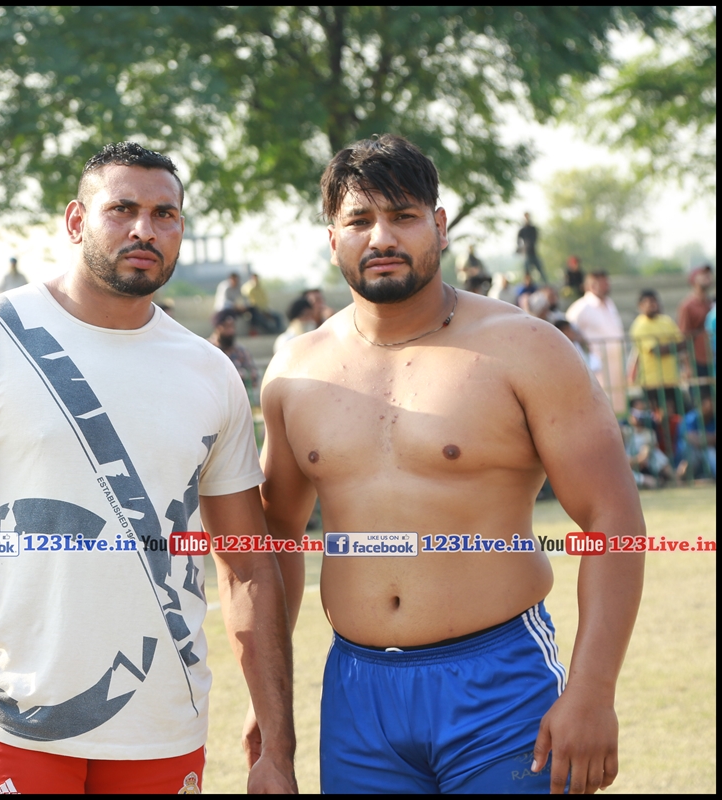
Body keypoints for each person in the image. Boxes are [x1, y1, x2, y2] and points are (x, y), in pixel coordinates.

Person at [0, 141, 295, 794]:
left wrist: (277, 744)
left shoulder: (210, 371)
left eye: (164, 214)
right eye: (122, 209)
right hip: (17, 722)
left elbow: (248, 566)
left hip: (165, 724)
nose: (144, 229)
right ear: (75, 221)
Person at [260, 134, 644, 794]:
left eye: (403, 216)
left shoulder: (525, 348)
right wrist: (271, 722)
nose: (381, 237)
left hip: (499, 685)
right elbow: (273, 543)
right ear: (333, 239)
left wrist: (593, 689)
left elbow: (614, 518)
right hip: (357, 694)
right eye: (359, 220)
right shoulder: (295, 371)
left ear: (438, 226)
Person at [567, 271, 628, 415]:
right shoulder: (581, 307)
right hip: (597, 366)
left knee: (618, 407)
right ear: (590, 285)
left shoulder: (609, 303)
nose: (605, 285)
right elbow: (568, 332)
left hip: (616, 364)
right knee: (601, 407)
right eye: (601, 282)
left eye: (606, 282)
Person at [629, 289, 687, 422]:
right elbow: (656, 350)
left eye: (654, 301)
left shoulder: (666, 321)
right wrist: (673, 346)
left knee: (675, 416)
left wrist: (668, 348)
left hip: (671, 379)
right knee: (658, 418)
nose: (652, 305)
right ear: (640, 306)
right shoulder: (639, 326)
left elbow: (683, 343)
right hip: (652, 381)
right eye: (647, 302)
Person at [677, 265, 714, 396]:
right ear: (693, 279)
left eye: (708, 274)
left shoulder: (711, 303)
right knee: (703, 402)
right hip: (697, 360)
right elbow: (684, 336)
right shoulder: (687, 305)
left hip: (712, 358)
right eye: (703, 274)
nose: (707, 277)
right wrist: (688, 366)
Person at [210, 308, 262, 400]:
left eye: (232, 326)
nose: (231, 331)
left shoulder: (241, 351)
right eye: (226, 327)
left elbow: (254, 375)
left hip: (238, 399)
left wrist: (240, 375)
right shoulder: (209, 350)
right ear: (218, 327)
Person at [676, 395, 715, 481]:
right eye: (708, 403)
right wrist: (709, 438)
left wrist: (701, 438)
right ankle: (679, 479)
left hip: (705, 450)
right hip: (689, 452)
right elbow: (691, 439)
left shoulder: (713, 418)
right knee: (704, 452)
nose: (711, 406)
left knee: (709, 451)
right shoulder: (690, 418)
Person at [516, 212, 547, 283]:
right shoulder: (522, 230)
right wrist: (521, 248)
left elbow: (535, 239)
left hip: (533, 253)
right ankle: (527, 285)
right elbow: (518, 241)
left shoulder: (533, 229)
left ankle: (545, 284)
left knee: (541, 271)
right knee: (526, 272)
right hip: (526, 254)